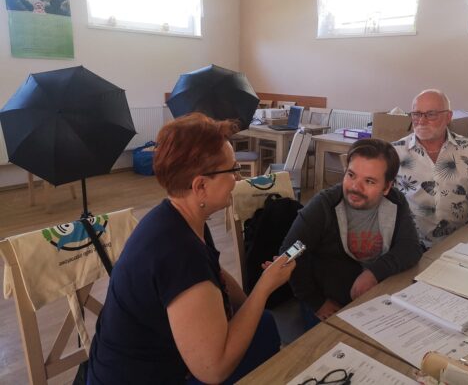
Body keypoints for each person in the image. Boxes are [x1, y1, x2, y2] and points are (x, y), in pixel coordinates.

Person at [88, 113, 295, 385]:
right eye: (232, 170)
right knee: (264, 332)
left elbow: (215, 272)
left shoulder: (177, 216)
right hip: (141, 377)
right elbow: (214, 370)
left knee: (263, 324)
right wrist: (264, 288)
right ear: (200, 186)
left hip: (132, 363)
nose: (237, 178)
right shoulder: (178, 252)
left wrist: (248, 305)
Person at [279, 139, 422, 326]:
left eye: (369, 181)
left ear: (387, 187)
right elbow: (290, 252)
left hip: (376, 296)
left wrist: (373, 273)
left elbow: (410, 247)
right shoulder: (323, 206)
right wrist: (317, 302)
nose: (355, 187)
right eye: (351, 175)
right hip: (327, 303)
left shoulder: (396, 202)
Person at [392, 89, 468, 250]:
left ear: (448, 117)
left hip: (458, 240)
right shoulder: (395, 152)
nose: (421, 120)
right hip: (410, 243)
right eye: (416, 114)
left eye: (431, 114)